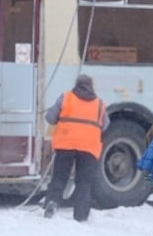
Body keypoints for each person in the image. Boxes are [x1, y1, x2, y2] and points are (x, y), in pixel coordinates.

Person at [43, 74, 109, 222]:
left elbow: (50, 118)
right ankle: (81, 214)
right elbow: (105, 125)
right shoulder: (99, 104)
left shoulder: (66, 97)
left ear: (76, 84)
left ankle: (52, 203)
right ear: (91, 86)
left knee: (59, 177)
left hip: (65, 144)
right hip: (89, 147)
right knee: (84, 181)